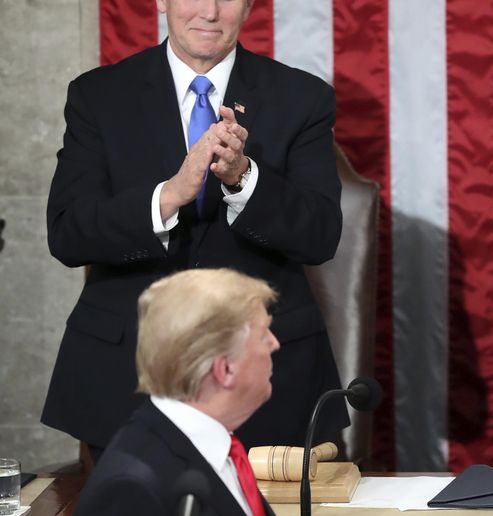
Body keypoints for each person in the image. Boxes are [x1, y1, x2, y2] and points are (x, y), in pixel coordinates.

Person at [43, 0, 348, 460]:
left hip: (268, 381)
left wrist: (244, 179)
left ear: (248, 6)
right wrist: (169, 195)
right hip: (123, 378)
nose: (209, 11)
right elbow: (68, 233)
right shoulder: (98, 96)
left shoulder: (302, 97)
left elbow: (320, 235)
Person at [76, 268, 279, 516]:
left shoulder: (218, 448)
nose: (274, 343)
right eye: (262, 335)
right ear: (225, 369)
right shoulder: (131, 488)